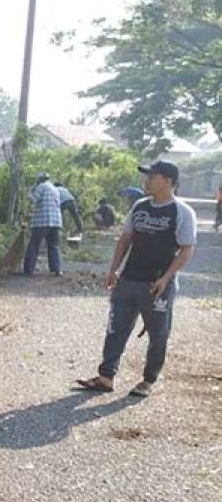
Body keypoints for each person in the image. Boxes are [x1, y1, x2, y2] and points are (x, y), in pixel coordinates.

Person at [75, 161, 197, 398]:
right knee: (116, 328)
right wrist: (114, 270)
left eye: (152, 176)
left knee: (157, 333)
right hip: (129, 279)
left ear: (168, 181)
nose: (147, 180)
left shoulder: (181, 211)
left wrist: (166, 277)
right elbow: (125, 238)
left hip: (157, 285)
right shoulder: (140, 206)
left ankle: (148, 380)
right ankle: (106, 376)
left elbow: (186, 249)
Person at [25, 173, 63, 276]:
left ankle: (28, 270)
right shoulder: (55, 189)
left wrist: (30, 191)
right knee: (53, 245)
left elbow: (33, 199)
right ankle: (57, 269)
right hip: (56, 222)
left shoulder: (41, 187)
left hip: (42, 221)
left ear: (40, 180)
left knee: (34, 245)